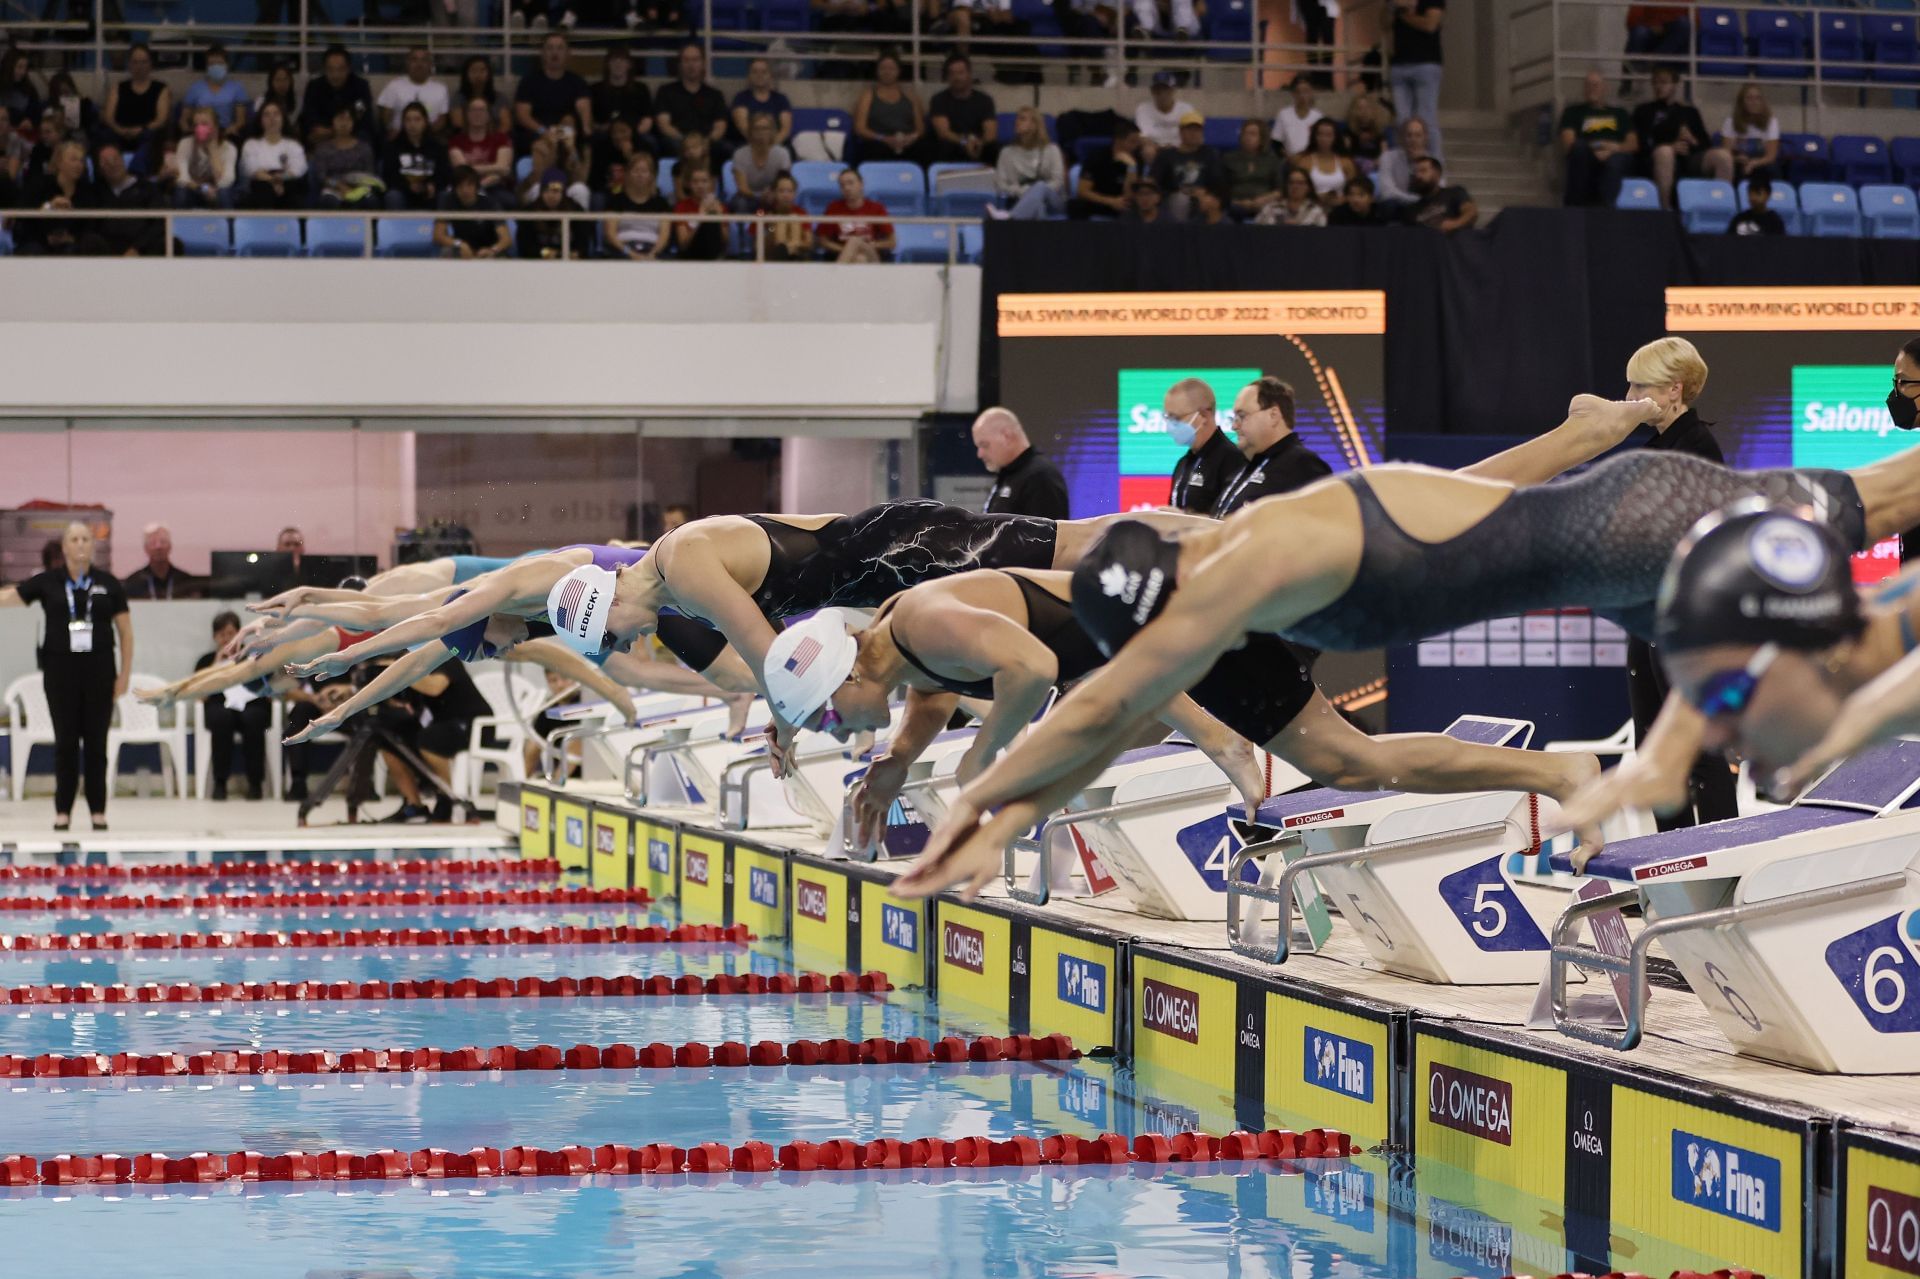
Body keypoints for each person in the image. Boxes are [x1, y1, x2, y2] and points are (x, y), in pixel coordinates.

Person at [885, 397, 1868, 897]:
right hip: (1498, 576)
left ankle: (1592, 433)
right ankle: (1560, 768)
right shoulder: (1190, 585)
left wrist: (979, 806)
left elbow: (1100, 707)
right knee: (1348, 756)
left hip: (1541, 537)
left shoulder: (1272, 545)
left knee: (1866, 516)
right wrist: (998, 821)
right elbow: (1104, 717)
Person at [768, 576, 1267, 848]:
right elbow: (936, 689)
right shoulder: (896, 643)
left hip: (1173, 593)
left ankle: (1224, 740)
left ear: (846, 677)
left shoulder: (920, 621)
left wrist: (983, 756)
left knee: (1333, 757)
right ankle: (1222, 740)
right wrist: (897, 759)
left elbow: (1033, 667)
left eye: (827, 720)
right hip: (1123, 625)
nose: (836, 737)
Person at [1608, 336, 1738, 830]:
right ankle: (1671, 860)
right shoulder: (1659, 446)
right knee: (1657, 746)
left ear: (1673, 390)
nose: (1628, 394)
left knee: (1697, 746)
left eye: (1638, 385)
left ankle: (1722, 853)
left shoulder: (1696, 448)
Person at [0, 521, 132, 832]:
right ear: (65, 547)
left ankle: (98, 810)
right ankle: (63, 811)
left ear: (93, 545)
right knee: (65, 743)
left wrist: (124, 673)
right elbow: (11, 597)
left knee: (97, 742)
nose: (81, 544)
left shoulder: (109, 584)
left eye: (86, 538)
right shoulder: (48, 582)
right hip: (60, 672)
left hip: (100, 671)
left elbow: (126, 632)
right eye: (74, 539)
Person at [1210, 376, 1334, 517]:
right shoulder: (1246, 467)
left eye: (1242, 416)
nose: (1234, 426)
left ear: (1273, 415)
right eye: (1234, 418)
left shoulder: (1303, 466)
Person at [196, 611, 271, 801]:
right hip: (221, 706)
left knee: (253, 719)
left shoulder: (255, 656)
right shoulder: (206, 661)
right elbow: (200, 695)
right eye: (221, 635)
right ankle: (220, 783)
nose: (226, 639)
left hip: (252, 704)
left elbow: (269, 689)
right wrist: (217, 664)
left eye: (230, 633)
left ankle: (255, 784)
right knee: (222, 719)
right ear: (214, 637)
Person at [1632, 66, 1729, 209]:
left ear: (1675, 85)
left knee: (1723, 156)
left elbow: (1706, 144)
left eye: (1664, 82)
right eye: (1655, 83)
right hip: (1656, 158)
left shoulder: (1689, 112)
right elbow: (1641, 142)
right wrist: (1671, 147)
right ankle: (1665, 209)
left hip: (1690, 158)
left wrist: (1692, 140)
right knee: (1665, 152)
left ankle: (1719, 207)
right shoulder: (1644, 111)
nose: (1659, 87)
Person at [1558, 70, 1638, 208]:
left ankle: (1605, 209)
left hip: (1614, 154)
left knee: (1617, 160)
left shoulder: (1620, 113)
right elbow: (1568, 144)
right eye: (1588, 85)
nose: (1591, 89)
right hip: (1586, 155)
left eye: (1595, 85)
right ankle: (1576, 207)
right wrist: (1597, 148)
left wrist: (1613, 149)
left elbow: (1633, 144)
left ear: (1604, 88)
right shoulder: (1572, 112)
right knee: (1578, 148)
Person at [1162, 377, 1239, 515]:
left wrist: (1185, 520)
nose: (1170, 425)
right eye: (1167, 418)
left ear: (1204, 415)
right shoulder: (1183, 463)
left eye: (1176, 418)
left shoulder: (1232, 459)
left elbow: (1233, 520)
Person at [975, 407, 1069, 518]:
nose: (979, 454)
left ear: (1007, 436)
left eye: (984, 445)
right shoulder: (1010, 474)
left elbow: (1048, 533)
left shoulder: (1040, 477)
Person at [515, 33, 593, 156]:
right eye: (550, 48)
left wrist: (586, 127)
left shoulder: (577, 82)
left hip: (568, 132)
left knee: (569, 121)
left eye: (560, 48)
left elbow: (583, 108)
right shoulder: (529, 81)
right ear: (542, 53)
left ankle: (569, 156)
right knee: (541, 146)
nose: (555, 53)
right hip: (539, 132)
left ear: (568, 53)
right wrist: (543, 131)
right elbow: (523, 116)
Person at [15, 139, 96, 256]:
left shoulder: (86, 191)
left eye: (82, 161)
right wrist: (49, 207)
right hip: (38, 242)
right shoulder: (39, 185)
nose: (79, 164)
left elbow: (90, 225)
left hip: (73, 245)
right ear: (59, 162)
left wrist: (72, 238)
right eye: (73, 159)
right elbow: (22, 218)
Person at [83, 144, 165, 257]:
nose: (112, 165)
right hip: (105, 253)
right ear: (99, 168)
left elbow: (158, 223)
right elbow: (90, 226)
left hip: (142, 249)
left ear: (122, 160)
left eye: (114, 159)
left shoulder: (147, 188)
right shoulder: (95, 191)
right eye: (106, 162)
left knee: (170, 243)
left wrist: (137, 248)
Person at [100, 43, 170, 173]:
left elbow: (161, 119)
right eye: (135, 62)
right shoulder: (118, 87)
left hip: (146, 132)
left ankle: (135, 172)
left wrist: (141, 129)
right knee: (104, 136)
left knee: (152, 137)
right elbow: (108, 117)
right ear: (129, 64)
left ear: (150, 64)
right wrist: (120, 130)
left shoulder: (161, 88)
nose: (140, 66)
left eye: (144, 62)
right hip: (120, 132)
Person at [1388, 0, 1446, 157]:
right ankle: (1404, 166)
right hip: (1400, 63)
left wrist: (1402, 14)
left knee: (1426, 119)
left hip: (1426, 63)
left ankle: (1436, 168)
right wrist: (1389, 6)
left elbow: (1430, 25)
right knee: (1402, 121)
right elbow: (1384, 24)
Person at [987, 105, 1065, 220]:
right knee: (1038, 206)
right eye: (1017, 119)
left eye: (1022, 119)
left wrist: (1035, 191)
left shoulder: (1052, 150)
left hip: (1052, 201)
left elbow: (1058, 181)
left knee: (1040, 187)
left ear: (1035, 124)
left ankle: (1010, 217)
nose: (1016, 122)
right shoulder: (1006, 152)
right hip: (1019, 199)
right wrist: (1022, 192)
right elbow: (1001, 184)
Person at [851, 50, 927, 167]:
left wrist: (910, 138)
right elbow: (860, 128)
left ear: (898, 71)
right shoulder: (868, 96)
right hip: (878, 142)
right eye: (883, 68)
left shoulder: (911, 97)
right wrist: (884, 139)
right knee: (872, 149)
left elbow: (920, 129)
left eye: (891, 68)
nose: (887, 72)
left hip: (905, 142)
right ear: (877, 71)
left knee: (923, 148)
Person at [653, 43, 729, 161]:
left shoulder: (715, 95)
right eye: (686, 60)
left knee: (725, 149)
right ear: (680, 64)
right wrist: (686, 142)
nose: (691, 64)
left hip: (706, 142)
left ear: (703, 64)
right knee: (669, 145)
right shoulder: (666, 91)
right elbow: (664, 124)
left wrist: (704, 143)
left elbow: (720, 127)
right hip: (678, 141)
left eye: (695, 60)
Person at [298, 45, 375, 149]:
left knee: (365, 136)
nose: (335, 75)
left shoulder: (360, 87)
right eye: (330, 69)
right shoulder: (315, 87)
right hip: (322, 137)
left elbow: (362, 115)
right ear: (324, 69)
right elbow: (309, 115)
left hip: (352, 134)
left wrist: (334, 131)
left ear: (348, 69)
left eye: (340, 69)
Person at [1150, 110, 1223, 219]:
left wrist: (1207, 194)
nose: (1194, 133)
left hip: (1202, 198)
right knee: (1181, 200)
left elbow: (1218, 181)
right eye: (1190, 129)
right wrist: (1182, 191)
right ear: (1181, 132)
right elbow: (1155, 183)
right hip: (1174, 199)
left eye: (1197, 130)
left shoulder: (1209, 154)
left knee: (1212, 201)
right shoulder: (1167, 155)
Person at [928, 52, 998, 165]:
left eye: (960, 73)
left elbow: (991, 133)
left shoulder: (985, 100)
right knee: (943, 145)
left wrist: (979, 143)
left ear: (969, 74)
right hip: (955, 144)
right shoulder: (939, 100)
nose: (956, 77)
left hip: (977, 144)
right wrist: (964, 142)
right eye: (952, 74)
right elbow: (944, 133)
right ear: (947, 77)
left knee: (994, 147)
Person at [239, 101, 308, 210]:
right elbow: (251, 169)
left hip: (287, 181)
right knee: (263, 188)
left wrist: (281, 178)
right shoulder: (251, 144)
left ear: (283, 118)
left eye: (276, 114)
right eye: (267, 115)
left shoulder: (293, 145)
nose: (272, 118)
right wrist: (273, 181)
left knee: (294, 190)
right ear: (260, 120)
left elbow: (298, 169)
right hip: (261, 185)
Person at [817, 168, 895, 263]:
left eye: (850, 183)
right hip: (843, 253)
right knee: (859, 258)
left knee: (855, 241)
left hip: (871, 254)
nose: (847, 188)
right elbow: (823, 241)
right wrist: (847, 250)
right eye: (842, 185)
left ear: (861, 184)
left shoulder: (877, 208)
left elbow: (892, 242)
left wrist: (871, 245)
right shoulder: (833, 208)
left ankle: (835, 276)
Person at [604, 150, 670, 259]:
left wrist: (653, 254)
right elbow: (610, 234)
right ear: (628, 174)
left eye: (644, 171)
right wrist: (630, 253)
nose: (640, 175)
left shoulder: (661, 203)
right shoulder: (615, 201)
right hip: (622, 251)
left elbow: (664, 236)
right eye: (636, 170)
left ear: (651, 175)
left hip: (652, 251)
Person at [384, 101, 449, 210]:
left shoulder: (437, 147)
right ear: (403, 123)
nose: (412, 124)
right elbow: (389, 175)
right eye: (408, 120)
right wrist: (407, 186)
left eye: (417, 119)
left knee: (445, 196)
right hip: (403, 192)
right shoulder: (393, 146)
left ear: (425, 122)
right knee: (393, 196)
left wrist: (432, 185)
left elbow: (444, 174)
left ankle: (441, 227)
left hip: (430, 193)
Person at [178, 44, 249, 144]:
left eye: (220, 63)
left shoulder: (237, 88)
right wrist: (189, 132)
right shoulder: (195, 88)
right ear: (206, 67)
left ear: (227, 65)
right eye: (212, 64)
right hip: (200, 131)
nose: (216, 67)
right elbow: (184, 119)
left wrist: (228, 131)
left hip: (226, 133)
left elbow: (240, 121)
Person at [312, 105, 380, 208]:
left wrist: (355, 188)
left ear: (353, 123)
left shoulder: (364, 148)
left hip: (359, 187)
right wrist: (339, 186)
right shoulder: (323, 148)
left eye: (348, 119)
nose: (344, 123)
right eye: (340, 119)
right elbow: (321, 176)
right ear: (333, 122)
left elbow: (369, 173)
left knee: (370, 201)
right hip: (333, 188)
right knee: (329, 201)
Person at [171, 106, 240, 209]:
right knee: (181, 191)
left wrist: (213, 149)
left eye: (204, 124)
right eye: (196, 125)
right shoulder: (185, 144)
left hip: (217, 192)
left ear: (215, 127)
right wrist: (203, 188)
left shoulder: (229, 148)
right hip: (194, 189)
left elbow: (227, 180)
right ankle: (181, 223)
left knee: (224, 193)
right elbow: (183, 178)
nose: (199, 128)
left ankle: (228, 224)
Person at [435, 165, 510, 258]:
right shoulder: (448, 201)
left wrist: (492, 250)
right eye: (460, 186)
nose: (465, 190)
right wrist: (460, 244)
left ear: (476, 186)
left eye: (469, 185)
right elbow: (438, 235)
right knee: (446, 252)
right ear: (454, 188)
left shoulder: (490, 203)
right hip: (462, 249)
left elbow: (506, 239)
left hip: (488, 250)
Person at [1069, 121, 1140, 219]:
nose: (1136, 146)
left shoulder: (1136, 161)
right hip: (1099, 201)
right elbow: (1082, 191)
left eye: (1137, 142)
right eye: (1132, 142)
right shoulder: (1097, 157)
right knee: (1075, 206)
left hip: (1121, 205)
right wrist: (1111, 201)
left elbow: (1129, 196)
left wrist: (1132, 168)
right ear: (1118, 140)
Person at [448, 98, 513, 203]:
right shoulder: (456, 141)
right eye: (473, 110)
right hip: (463, 186)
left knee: (507, 200)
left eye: (482, 110)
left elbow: (503, 169)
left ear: (489, 115)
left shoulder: (501, 139)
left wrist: (480, 185)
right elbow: (462, 171)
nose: (477, 114)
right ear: (467, 114)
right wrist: (495, 167)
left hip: (493, 186)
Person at [378, 45, 451, 137]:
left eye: (424, 60)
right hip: (399, 137)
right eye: (414, 60)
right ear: (407, 63)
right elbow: (385, 118)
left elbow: (442, 120)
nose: (419, 64)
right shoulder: (393, 86)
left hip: (429, 137)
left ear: (430, 64)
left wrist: (422, 135)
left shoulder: (441, 89)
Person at [727, 112, 791, 214]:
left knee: (784, 200)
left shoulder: (782, 154)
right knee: (740, 203)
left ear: (772, 131)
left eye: (765, 128)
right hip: (748, 196)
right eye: (757, 128)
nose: (761, 132)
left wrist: (772, 195)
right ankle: (743, 230)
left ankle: (775, 229)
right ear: (751, 131)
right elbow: (742, 188)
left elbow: (783, 182)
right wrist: (760, 196)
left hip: (773, 196)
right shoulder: (739, 154)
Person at [1222, 118, 1284, 220]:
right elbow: (1221, 189)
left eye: (1253, 134)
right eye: (1245, 133)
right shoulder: (1229, 159)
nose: (1248, 137)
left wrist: (1263, 200)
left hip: (1265, 204)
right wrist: (1239, 202)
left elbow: (1279, 190)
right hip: (1235, 204)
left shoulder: (1272, 160)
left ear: (1262, 138)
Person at [1292, 117, 1356, 210]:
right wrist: (1320, 198)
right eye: (1320, 135)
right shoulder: (1305, 162)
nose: (1324, 139)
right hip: (1311, 208)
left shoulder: (1346, 162)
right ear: (1314, 136)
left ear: (1335, 137)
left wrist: (1341, 200)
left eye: (1328, 135)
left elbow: (1354, 190)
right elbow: (1298, 190)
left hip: (1340, 208)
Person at [124, 525, 204, 599]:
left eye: (163, 542)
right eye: (153, 543)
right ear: (146, 548)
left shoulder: (185, 581)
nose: (158, 547)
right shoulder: (133, 582)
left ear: (170, 546)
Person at [519, 169, 586, 258]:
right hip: (538, 264)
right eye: (546, 190)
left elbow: (583, 246)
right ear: (541, 192)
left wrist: (573, 254)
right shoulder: (531, 211)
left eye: (555, 191)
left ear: (563, 192)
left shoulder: (575, 211)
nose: (550, 195)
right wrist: (549, 254)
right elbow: (525, 247)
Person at [1721, 82, 1779, 182]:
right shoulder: (1730, 122)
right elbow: (1726, 153)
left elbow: (1771, 156)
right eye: (1749, 98)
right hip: (1739, 162)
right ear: (1742, 102)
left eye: (1758, 98)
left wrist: (1753, 163)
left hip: (1762, 163)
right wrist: (1737, 158)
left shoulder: (1771, 122)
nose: (1754, 102)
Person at [1401, 155, 1475, 232]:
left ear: (1437, 174)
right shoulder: (1411, 210)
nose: (1418, 176)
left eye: (1423, 171)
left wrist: (1453, 225)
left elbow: (1471, 212)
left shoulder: (1454, 193)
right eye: (1416, 172)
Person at [728, 58, 792, 147]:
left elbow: (785, 129)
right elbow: (744, 127)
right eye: (755, 72)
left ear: (770, 75)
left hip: (776, 145)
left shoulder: (781, 99)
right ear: (749, 76)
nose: (759, 75)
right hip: (748, 144)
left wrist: (771, 146)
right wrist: (760, 146)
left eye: (764, 72)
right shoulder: (741, 98)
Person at [1376, 115, 1435, 206]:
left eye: (1418, 135)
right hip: (1397, 208)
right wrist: (1416, 200)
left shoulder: (1433, 161)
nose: (1413, 140)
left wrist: (1419, 162)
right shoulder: (1387, 157)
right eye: (1409, 135)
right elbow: (1387, 192)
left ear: (1425, 138)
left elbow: (1437, 191)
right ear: (1402, 138)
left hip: (1422, 210)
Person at [672, 165, 729, 259]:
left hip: (713, 255)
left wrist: (719, 217)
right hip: (690, 254)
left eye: (704, 181)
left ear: (711, 183)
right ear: (689, 184)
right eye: (695, 182)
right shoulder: (681, 207)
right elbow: (683, 244)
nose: (700, 186)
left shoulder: (720, 207)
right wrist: (699, 218)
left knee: (712, 220)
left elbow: (725, 242)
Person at [757, 171, 814, 259]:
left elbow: (808, 243)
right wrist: (771, 227)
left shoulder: (801, 213)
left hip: (797, 256)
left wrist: (793, 246)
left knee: (793, 218)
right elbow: (757, 246)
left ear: (795, 194)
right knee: (781, 220)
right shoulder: (763, 212)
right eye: (781, 191)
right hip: (772, 258)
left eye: (789, 191)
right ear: (774, 193)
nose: (785, 195)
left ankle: (790, 253)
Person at [1133, 71, 1195, 152]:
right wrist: (1159, 148)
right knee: (1148, 150)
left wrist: (1174, 147)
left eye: (1166, 89)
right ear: (1152, 91)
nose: (1162, 94)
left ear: (1173, 90)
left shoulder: (1186, 109)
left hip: (1179, 149)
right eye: (1158, 90)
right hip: (1155, 149)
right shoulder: (1143, 109)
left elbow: (1191, 136)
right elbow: (1143, 137)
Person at [1270, 74, 1324, 158]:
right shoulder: (1284, 114)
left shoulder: (1318, 117)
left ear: (1311, 93)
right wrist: (1289, 157)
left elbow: (1321, 144)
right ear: (1293, 94)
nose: (1302, 96)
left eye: (1306, 91)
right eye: (1298, 92)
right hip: (1290, 159)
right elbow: (1277, 142)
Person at [1255, 167, 1327, 227]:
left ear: (1308, 187)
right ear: (1286, 186)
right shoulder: (1270, 209)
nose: (1295, 186)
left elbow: (1321, 239)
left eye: (1300, 183)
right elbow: (1256, 233)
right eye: (1291, 182)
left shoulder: (1317, 212)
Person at [458, 56, 510, 136]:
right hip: (468, 138)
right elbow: (458, 123)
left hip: (495, 138)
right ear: (466, 74)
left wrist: (492, 140)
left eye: (482, 70)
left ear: (489, 74)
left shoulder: (500, 97)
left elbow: (505, 124)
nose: (478, 75)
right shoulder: (458, 97)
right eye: (473, 70)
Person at [254, 62, 300, 140]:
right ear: (271, 82)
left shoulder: (298, 100)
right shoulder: (261, 101)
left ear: (291, 81)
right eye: (277, 80)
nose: (282, 84)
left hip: (289, 138)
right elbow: (258, 126)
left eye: (285, 79)